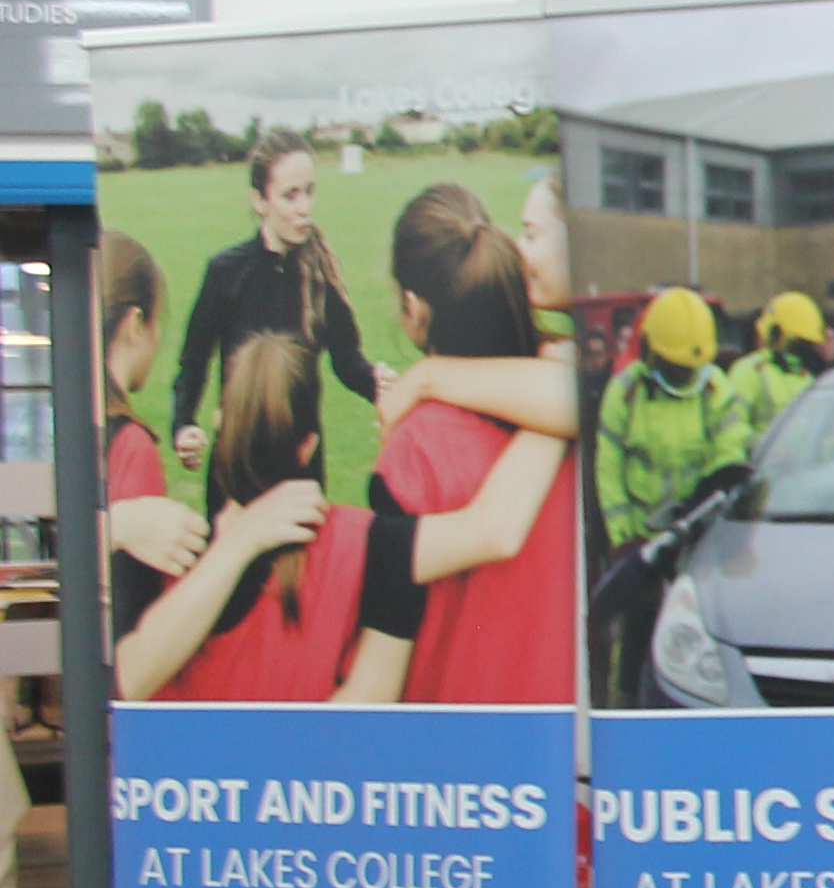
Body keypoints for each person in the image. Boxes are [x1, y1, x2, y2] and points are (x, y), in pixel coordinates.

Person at [120, 333, 562, 704]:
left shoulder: (163, 546)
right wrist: (558, 371)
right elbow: (495, 531)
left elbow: (121, 684)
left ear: (221, 424)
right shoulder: (364, 546)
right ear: (308, 446)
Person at [370, 193, 582, 707]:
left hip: (454, 753)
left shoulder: (415, 448)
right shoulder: (571, 398)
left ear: (414, 306)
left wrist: (426, 377)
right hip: (561, 748)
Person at [170, 126, 376, 464]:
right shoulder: (225, 273)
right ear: (259, 200)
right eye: (290, 195)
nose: (304, 208)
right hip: (237, 467)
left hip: (302, 463)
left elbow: (348, 361)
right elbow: (193, 363)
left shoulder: (321, 274)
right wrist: (183, 426)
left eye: (309, 192)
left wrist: (384, 387)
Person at [93, 238, 211, 647]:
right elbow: (141, 624)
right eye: (157, 325)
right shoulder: (130, 446)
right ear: (133, 325)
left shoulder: (68, 428)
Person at [596, 289, 741, 551]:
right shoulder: (625, 391)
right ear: (650, 351)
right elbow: (609, 470)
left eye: (688, 368)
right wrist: (622, 539)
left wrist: (704, 513)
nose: (682, 375)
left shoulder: (715, 387)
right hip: (642, 538)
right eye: (675, 366)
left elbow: (728, 453)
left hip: (700, 534)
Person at [719, 290, 829, 455]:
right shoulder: (750, 371)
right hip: (762, 471)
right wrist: (767, 450)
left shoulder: (812, 377)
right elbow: (732, 428)